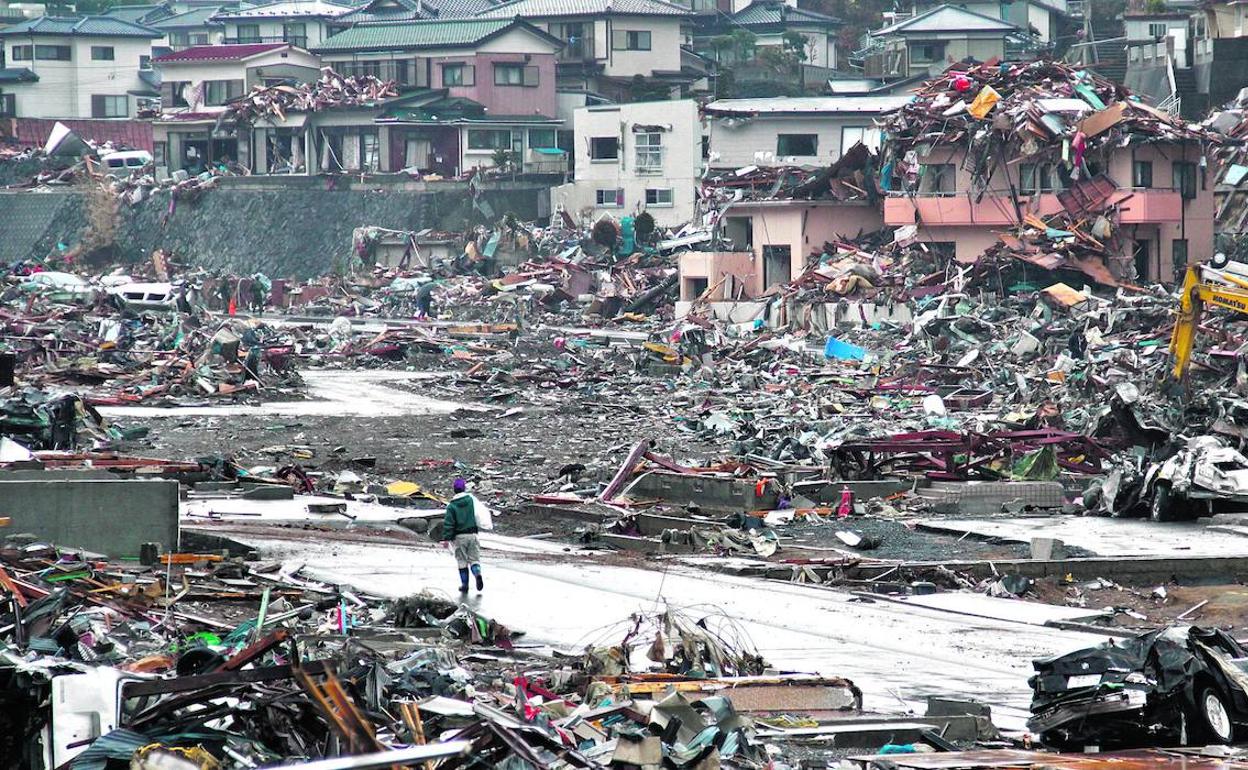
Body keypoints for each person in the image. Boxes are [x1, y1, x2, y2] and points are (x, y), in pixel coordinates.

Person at [441, 478, 484, 593]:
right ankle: (477, 574)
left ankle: (465, 585)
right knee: (474, 560)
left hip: (459, 537)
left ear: (454, 490)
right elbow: (479, 514)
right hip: (473, 535)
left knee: (462, 562)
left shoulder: (451, 506)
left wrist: (446, 539)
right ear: (464, 488)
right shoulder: (471, 500)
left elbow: (449, 524)